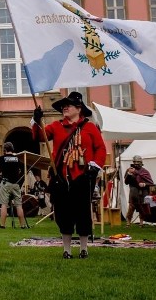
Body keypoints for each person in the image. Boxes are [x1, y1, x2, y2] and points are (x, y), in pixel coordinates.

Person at [32, 91, 105, 260]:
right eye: (63, 106)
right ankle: (67, 250)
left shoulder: (90, 128)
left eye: (69, 105)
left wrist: (95, 165)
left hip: (82, 177)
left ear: (79, 109)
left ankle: (83, 249)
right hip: (61, 177)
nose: (65, 107)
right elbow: (39, 136)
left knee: (82, 213)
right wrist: (37, 121)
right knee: (64, 214)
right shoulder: (56, 126)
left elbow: (100, 148)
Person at [0, 142, 27, 229]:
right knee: (19, 205)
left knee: (4, 204)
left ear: (5, 150)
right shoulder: (17, 159)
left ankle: (2, 225)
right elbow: (23, 170)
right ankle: (22, 225)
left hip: (6, 183)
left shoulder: (2, 158)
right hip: (16, 184)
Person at [124, 155, 155, 226]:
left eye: (138, 162)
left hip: (143, 190)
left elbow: (150, 182)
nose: (136, 164)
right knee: (131, 206)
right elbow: (126, 182)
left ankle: (141, 222)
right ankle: (128, 222)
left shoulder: (145, 171)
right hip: (133, 190)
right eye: (135, 162)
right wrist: (129, 174)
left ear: (141, 162)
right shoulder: (129, 170)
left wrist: (144, 184)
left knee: (142, 206)